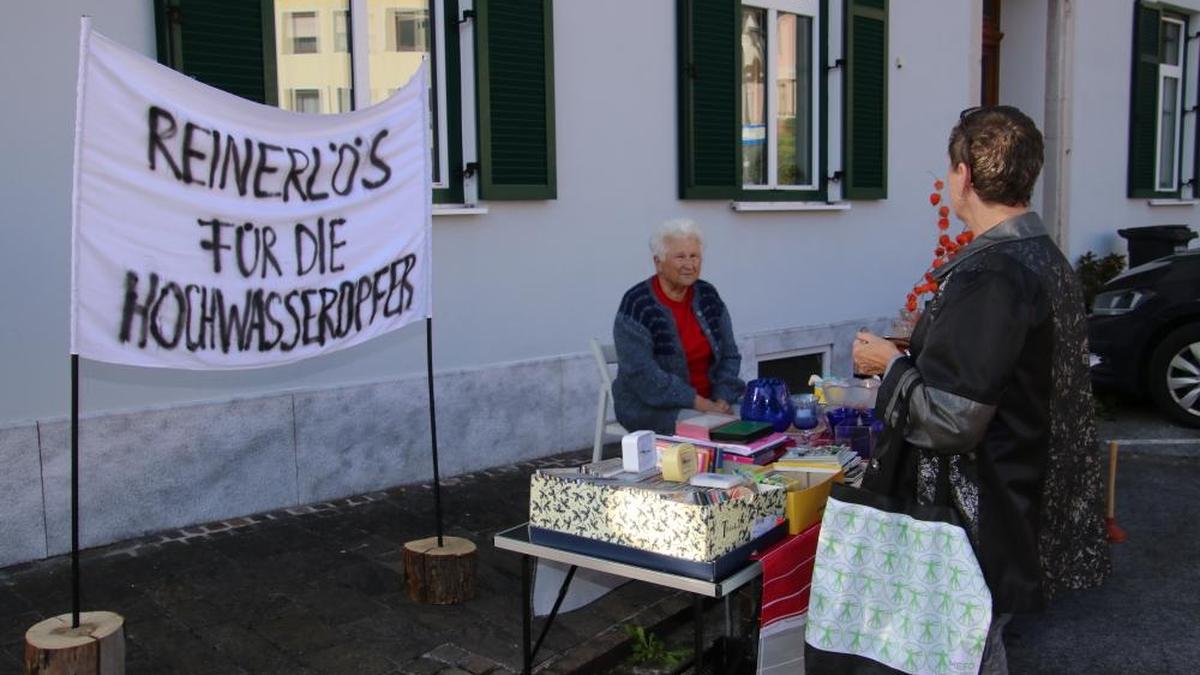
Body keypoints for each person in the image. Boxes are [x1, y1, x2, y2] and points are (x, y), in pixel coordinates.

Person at [852, 106, 1110, 672]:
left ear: (964, 176)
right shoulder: (1042, 256)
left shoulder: (995, 271)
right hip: (1017, 498)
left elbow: (951, 421)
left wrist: (889, 364)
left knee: (963, 655)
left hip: (980, 518)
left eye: (950, 171)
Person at [612, 219, 744, 435]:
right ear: (658, 262)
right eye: (680, 256)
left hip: (713, 402)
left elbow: (730, 355)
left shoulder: (708, 295)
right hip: (653, 408)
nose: (689, 264)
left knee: (758, 419)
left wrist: (722, 399)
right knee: (711, 430)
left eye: (694, 256)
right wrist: (702, 405)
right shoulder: (637, 304)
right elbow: (643, 375)